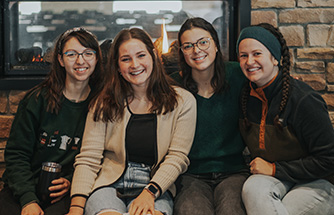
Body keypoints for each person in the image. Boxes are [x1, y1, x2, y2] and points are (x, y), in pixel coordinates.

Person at [66, 28, 196, 215]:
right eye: (126, 59)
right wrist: (76, 209)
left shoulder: (182, 102)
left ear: (154, 56)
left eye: (141, 55)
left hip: (155, 187)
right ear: (118, 66)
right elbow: (88, 159)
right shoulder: (103, 103)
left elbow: (177, 158)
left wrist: (150, 192)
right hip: (108, 185)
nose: (135, 64)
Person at [0, 27, 104, 215]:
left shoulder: (102, 105)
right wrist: (28, 200)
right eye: (71, 54)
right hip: (26, 186)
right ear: (60, 60)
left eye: (88, 53)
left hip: (66, 192)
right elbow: (17, 155)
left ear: (96, 58)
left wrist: (72, 181)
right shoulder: (38, 99)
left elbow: (103, 158)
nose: (81, 61)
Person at [237, 23, 334, 215]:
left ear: (275, 58)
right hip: (277, 177)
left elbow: (329, 160)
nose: (249, 61)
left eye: (257, 54)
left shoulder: (304, 100)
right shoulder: (245, 96)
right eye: (243, 55)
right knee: (252, 189)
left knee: (284, 210)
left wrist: (274, 169)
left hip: (319, 182)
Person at [172, 17, 249, 215]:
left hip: (233, 171)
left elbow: (269, 79)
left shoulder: (238, 75)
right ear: (182, 52)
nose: (197, 50)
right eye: (188, 46)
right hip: (191, 175)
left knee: (232, 210)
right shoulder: (174, 87)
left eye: (203, 42)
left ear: (216, 44)